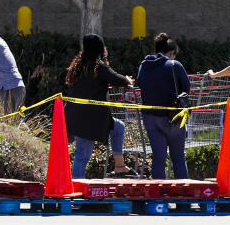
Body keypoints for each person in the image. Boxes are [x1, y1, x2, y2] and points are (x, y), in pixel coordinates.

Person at [64, 34, 133, 178]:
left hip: (76, 114)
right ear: (100, 48)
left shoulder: (78, 66)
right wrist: (127, 79)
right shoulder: (98, 66)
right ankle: (76, 187)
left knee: (118, 127)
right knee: (82, 155)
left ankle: (119, 166)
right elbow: (117, 78)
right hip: (88, 119)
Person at [136, 32, 190, 179]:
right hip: (172, 118)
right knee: (178, 158)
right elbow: (186, 88)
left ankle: (159, 198)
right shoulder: (174, 65)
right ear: (171, 52)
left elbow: (140, 84)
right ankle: (183, 198)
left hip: (150, 118)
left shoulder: (143, 66)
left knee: (159, 158)